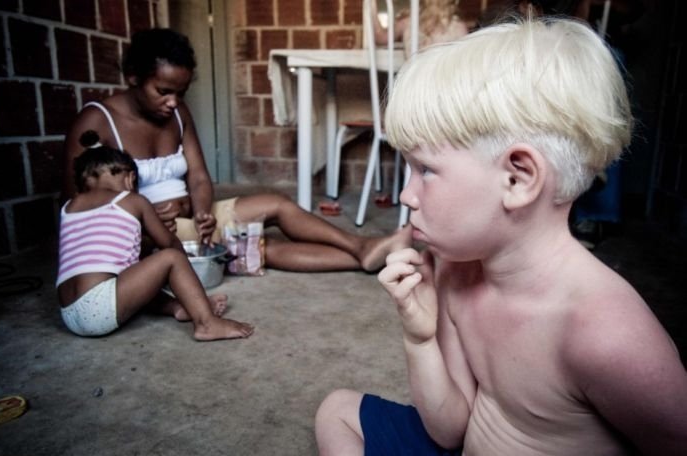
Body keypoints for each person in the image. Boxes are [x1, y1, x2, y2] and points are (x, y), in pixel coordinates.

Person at [315, 17, 687, 455]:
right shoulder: (455, 269)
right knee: (336, 410)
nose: (406, 195)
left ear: (517, 178)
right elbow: (450, 429)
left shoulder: (607, 333)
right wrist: (419, 339)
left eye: (425, 171)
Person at [62, 28, 411, 273]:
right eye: (163, 91)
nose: (173, 102)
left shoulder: (178, 115)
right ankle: (367, 257)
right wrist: (147, 218)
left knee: (277, 204)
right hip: (150, 237)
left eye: (181, 93)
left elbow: (198, 176)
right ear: (133, 76)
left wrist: (201, 214)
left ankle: (361, 247)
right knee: (258, 247)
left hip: (193, 219)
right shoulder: (97, 122)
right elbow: (79, 206)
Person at [57, 132, 254, 341]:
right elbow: (169, 242)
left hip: (69, 313)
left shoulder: (69, 207)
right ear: (131, 178)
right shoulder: (133, 200)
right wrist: (189, 284)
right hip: (100, 306)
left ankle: (177, 307)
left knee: (135, 268)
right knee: (171, 258)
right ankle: (206, 322)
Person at [370, 0, 468, 57]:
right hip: (444, 89)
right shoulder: (459, 28)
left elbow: (380, 37)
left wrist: (371, 7)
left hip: (413, 88)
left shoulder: (408, 22)